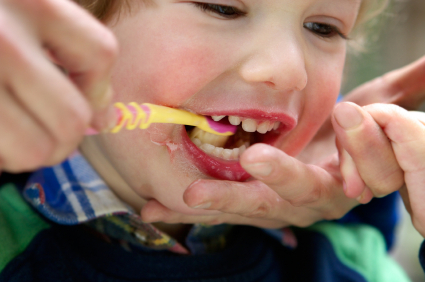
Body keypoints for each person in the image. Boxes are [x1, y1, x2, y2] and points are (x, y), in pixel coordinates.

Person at [0, 0, 422, 280]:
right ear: (68, 22)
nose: (288, 69)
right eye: (222, 7)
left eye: (322, 28)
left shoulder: (347, 262)